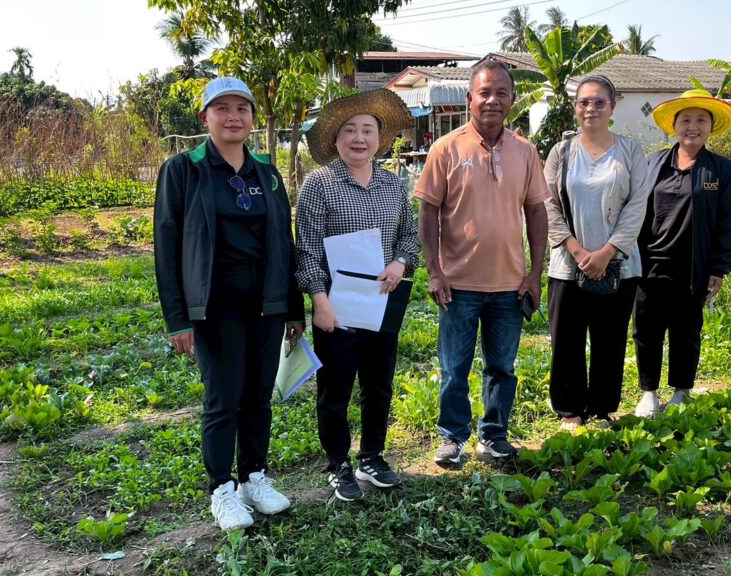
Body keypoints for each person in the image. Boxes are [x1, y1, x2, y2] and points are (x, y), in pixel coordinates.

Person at [153, 76, 305, 531]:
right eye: (222, 109)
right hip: (215, 306)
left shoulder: (266, 172)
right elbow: (167, 246)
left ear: (253, 117)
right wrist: (177, 318)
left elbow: (284, 241)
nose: (233, 117)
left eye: (242, 108)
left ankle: (253, 478)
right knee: (223, 399)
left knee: (258, 395)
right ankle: (221, 488)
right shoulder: (184, 170)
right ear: (205, 118)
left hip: (267, 304)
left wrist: (292, 307)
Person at [414, 60, 550, 466]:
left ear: (512, 99)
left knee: (502, 368)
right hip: (457, 285)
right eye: (485, 92)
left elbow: (536, 212)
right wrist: (435, 271)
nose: (492, 100)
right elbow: (428, 211)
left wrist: (534, 274)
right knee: (454, 368)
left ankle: (493, 434)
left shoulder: (525, 151)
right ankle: (452, 437)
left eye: (501, 93)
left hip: (510, 285)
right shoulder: (446, 148)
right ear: (470, 98)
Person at [296, 89, 418, 501]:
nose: (359, 138)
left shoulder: (392, 184)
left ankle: (371, 456)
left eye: (368, 130)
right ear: (335, 139)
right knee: (336, 389)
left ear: (380, 139)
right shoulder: (319, 184)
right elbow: (306, 250)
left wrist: (400, 262)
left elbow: (409, 236)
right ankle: (338, 463)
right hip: (338, 306)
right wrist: (319, 299)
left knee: (378, 385)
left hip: (382, 302)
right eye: (349, 130)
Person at [544, 75, 651, 428]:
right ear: (576, 107)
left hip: (619, 264)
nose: (591, 108)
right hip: (567, 263)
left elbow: (637, 205)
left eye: (599, 102)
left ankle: (602, 409)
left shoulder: (631, 151)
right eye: (584, 102)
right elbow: (547, 204)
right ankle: (570, 411)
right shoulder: (560, 152)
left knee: (610, 339)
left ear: (612, 107)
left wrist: (607, 251)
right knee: (566, 340)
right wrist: (576, 250)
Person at [633, 90, 731, 417]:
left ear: (711, 127)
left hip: (694, 266)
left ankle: (681, 392)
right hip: (650, 263)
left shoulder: (721, 170)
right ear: (674, 126)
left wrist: (719, 267)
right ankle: (649, 393)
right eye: (686, 120)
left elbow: (728, 221)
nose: (693, 127)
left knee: (687, 330)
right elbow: (635, 209)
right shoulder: (653, 163)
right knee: (646, 329)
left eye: (701, 120)